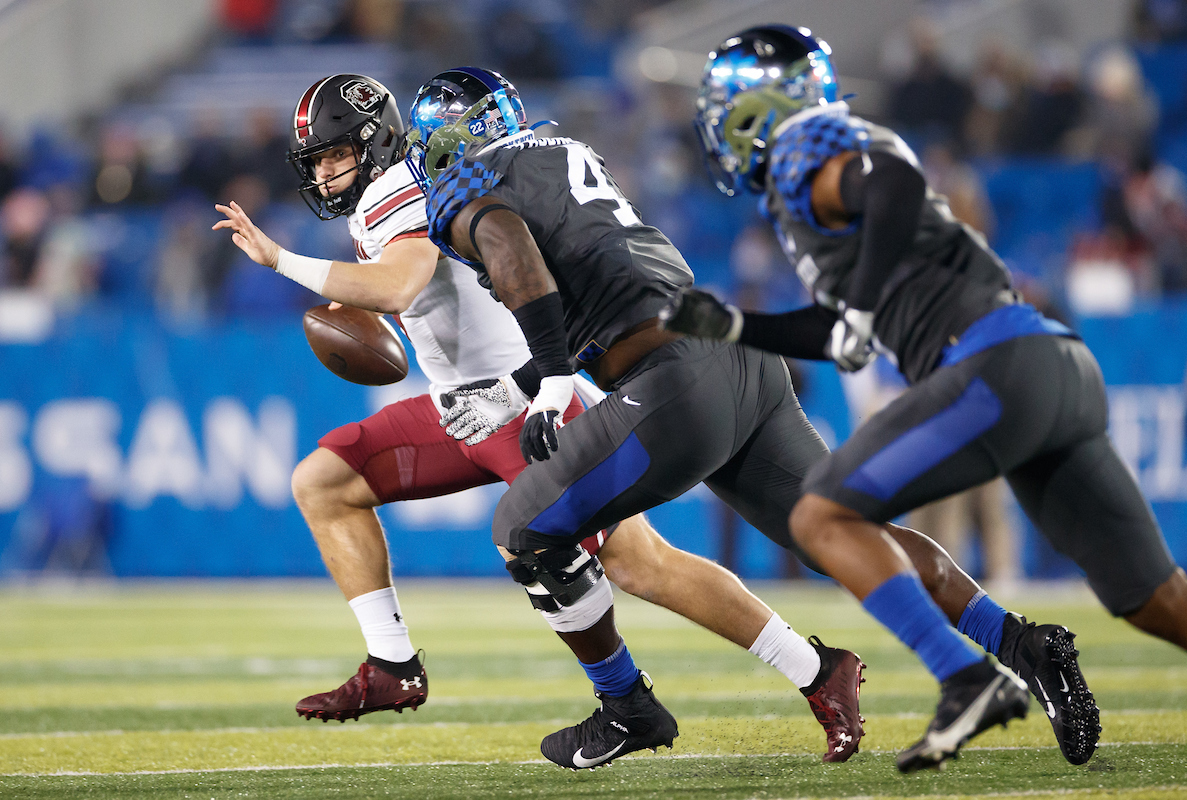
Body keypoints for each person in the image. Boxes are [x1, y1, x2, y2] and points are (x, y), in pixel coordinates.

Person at [409, 64, 1083, 776]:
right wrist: (522, 383)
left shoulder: (472, 187)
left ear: (446, 139)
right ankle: (1020, 643)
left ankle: (626, 704)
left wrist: (548, 378)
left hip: (673, 381)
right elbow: (604, 291)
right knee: (847, 536)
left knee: (524, 529)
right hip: (737, 360)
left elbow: (515, 254)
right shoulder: (564, 154)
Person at [212, 73, 868, 766]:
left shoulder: (396, 190)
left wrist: (280, 261)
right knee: (325, 481)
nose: (322, 173)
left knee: (640, 566)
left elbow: (400, 283)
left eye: (334, 155)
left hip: (520, 405)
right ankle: (392, 664)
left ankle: (788, 675)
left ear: (374, 143)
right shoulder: (393, 192)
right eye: (315, 161)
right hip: (465, 407)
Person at [663, 23, 1187, 769]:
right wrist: (736, 325)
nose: (720, 126)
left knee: (819, 515)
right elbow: (844, 329)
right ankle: (1016, 654)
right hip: (1050, 367)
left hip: (993, 363)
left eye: (727, 106)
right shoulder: (815, 178)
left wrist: (860, 306)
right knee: (1158, 601)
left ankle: (966, 677)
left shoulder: (803, 143)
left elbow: (895, 182)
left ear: (764, 103)